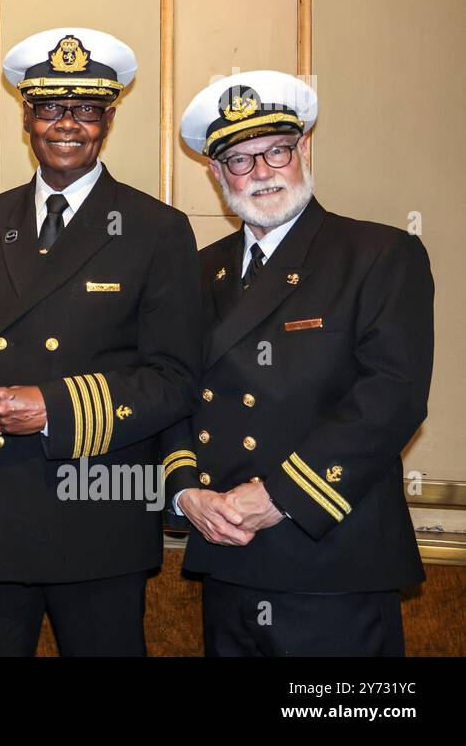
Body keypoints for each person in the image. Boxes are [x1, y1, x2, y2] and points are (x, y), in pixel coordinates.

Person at [0, 28, 201, 655]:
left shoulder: (157, 230)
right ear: (27, 117)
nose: (67, 125)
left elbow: (174, 378)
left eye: (85, 110)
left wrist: (54, 408)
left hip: (98, 514)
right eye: (51, 108)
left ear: (108, 119)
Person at [165, 70, 434, 656]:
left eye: (276, 151)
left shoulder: (378, 254)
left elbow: (392, 397)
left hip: (330, 558)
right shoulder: (196, 272)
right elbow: (170, 390)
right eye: (239, 159)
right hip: (228, 553)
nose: (261, 173)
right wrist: (187, 493)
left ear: (303, 150)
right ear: (215, 174)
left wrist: (280, 495)